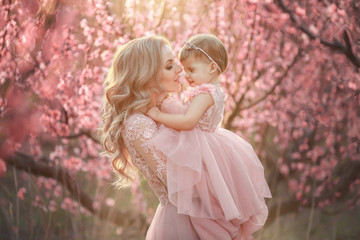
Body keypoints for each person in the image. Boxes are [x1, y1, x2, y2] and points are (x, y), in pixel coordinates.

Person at [146, 34, 272, 239]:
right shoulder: (213, 91)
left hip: (204, 150)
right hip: (212, 146)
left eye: (191, 70)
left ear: (212, 68)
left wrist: (158, 115)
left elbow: (188, 121)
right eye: (185, 70)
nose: (186, 76)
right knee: (208, 201)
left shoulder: (205, 93)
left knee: (202, 204)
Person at [99, 35, 200, 239]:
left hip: (196, 215)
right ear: (147, 75)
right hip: (182, 224)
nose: (180, 69)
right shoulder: (137, 124)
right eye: (169, 66)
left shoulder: (167, 112)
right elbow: (178, 183)